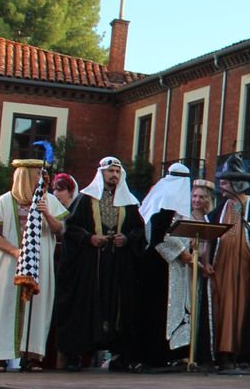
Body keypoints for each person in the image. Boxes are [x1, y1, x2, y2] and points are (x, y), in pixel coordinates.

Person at [58, 156, 144, 371]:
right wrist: (89, 238)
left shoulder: (129, 202)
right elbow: (71, 227)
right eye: (110, 171)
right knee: (85, 305)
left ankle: (120, 356)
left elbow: (139, 230)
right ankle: (76, 355)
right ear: (101, 173)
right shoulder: (86, 199)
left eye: (117, 172)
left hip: (119, 265)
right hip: (91, 264)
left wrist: (127, 238)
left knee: (119, 308)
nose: (114, 175)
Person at [0, 158, 66, 371]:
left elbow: (61, 230)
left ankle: (32, 356)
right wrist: (15, 251)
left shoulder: (48, 200)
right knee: (5, 306)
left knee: (37, 307)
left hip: (38, 265)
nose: (42, 178)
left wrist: (47, 212)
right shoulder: (4, 201)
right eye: (38, 174)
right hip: (8, 266)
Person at [154, 178, 217, 366]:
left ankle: (193, 350)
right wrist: (188, 257)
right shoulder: (182, 216)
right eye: (194, 196)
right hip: (184, 267)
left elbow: (206, 244)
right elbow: (169, 239)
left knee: (196, 307)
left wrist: (205, 263)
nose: (197, 200)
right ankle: (180, 351)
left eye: (201, 197)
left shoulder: (208, 219)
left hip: (197, 269)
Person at [214, 158, 250, 363]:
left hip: (247, 269)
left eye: (224, 183)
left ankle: (242, 350)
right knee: (223, 308)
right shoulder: (219, 210)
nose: (221, 187)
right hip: (222, 269)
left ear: (235, 184)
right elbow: (207, 236)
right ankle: (223, 349)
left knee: (243, 308)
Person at [140, 163, 196, 366]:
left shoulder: (161, 197)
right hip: (161, 266)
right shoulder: (167, 201)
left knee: (173, 307)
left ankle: (170, 354)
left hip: (170, 265)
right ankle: (158, 355)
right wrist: (182, 252)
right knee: (160, 308)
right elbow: (158, 236)